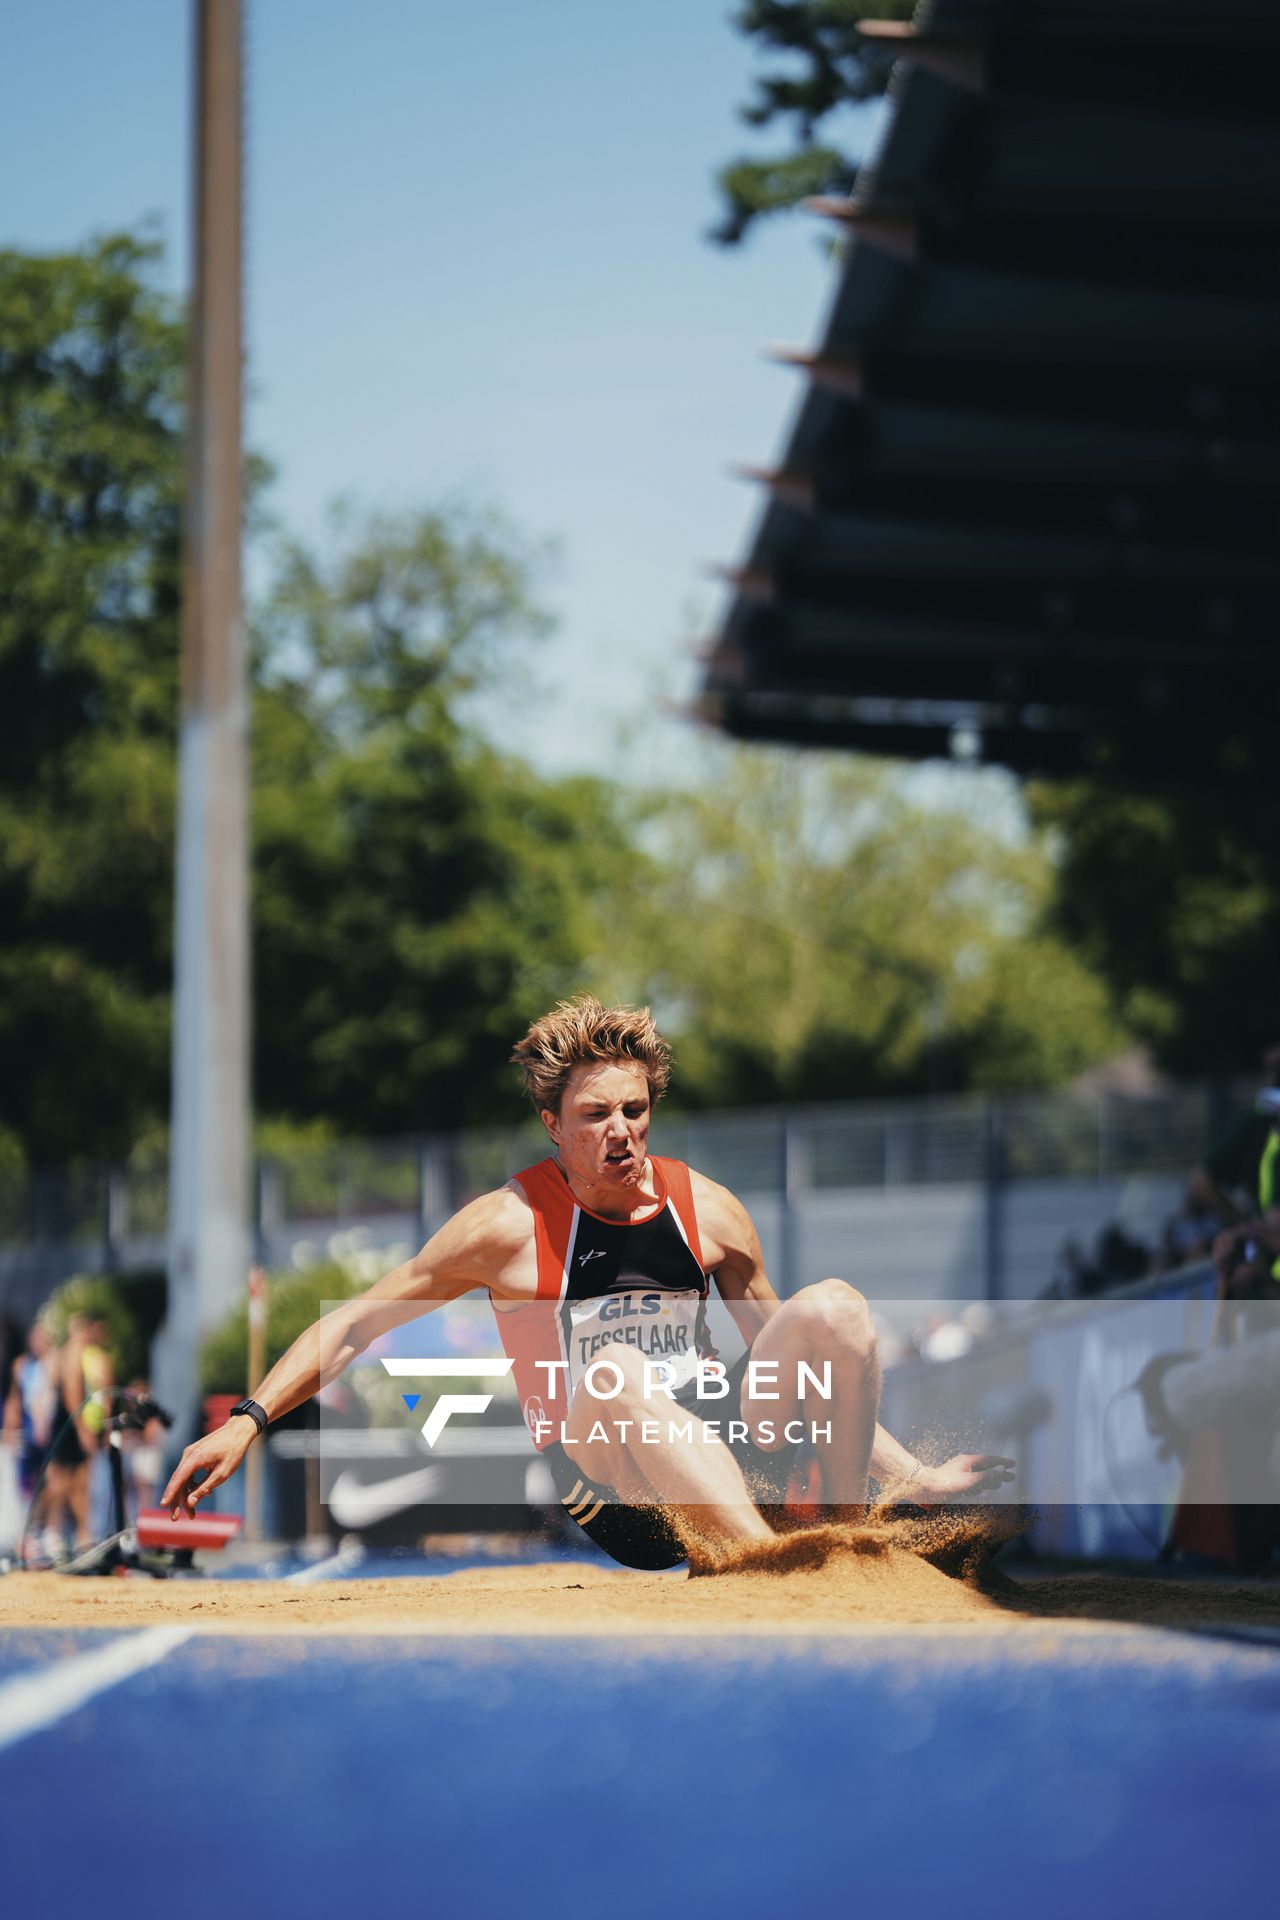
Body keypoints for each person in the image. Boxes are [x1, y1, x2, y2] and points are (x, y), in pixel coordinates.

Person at [164, 996, 1013, 1570]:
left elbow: (812, 1366)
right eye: (594, 1115)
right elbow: (354, 1324)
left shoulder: (708, 1212)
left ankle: (848, 1540)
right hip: (613, 1484)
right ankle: (773, 1567)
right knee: (620, 1374)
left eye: (634, 1111)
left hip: (721, 1443)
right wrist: (247, 1421)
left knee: (836, 1306)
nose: (620, 1133)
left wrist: (914, 1475)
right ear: (552, 1126)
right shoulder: (502, 1227)